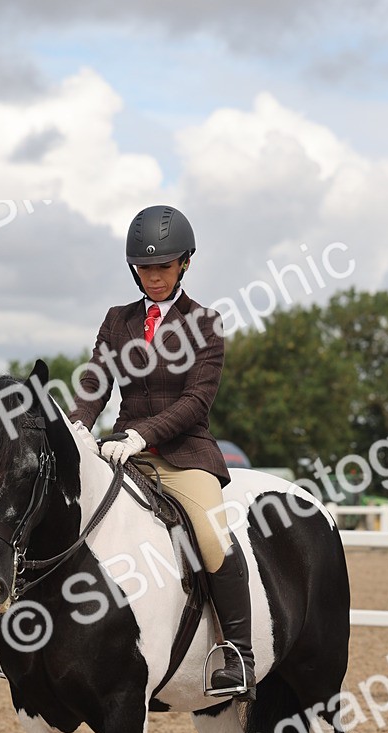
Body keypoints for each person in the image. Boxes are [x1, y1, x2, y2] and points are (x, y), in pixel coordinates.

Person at [69, 204, 255, 698]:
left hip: (184, 454)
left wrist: (140, 436)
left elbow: (197, 402)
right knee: (55, 507)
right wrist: (80, 426)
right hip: (121, 449)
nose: (153, 277)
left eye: (163, 267)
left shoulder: (206, 324)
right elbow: (95, 380)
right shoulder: (117, 320)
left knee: (213, 538)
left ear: (184, 265)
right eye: (145, 268)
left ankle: (237, 652)